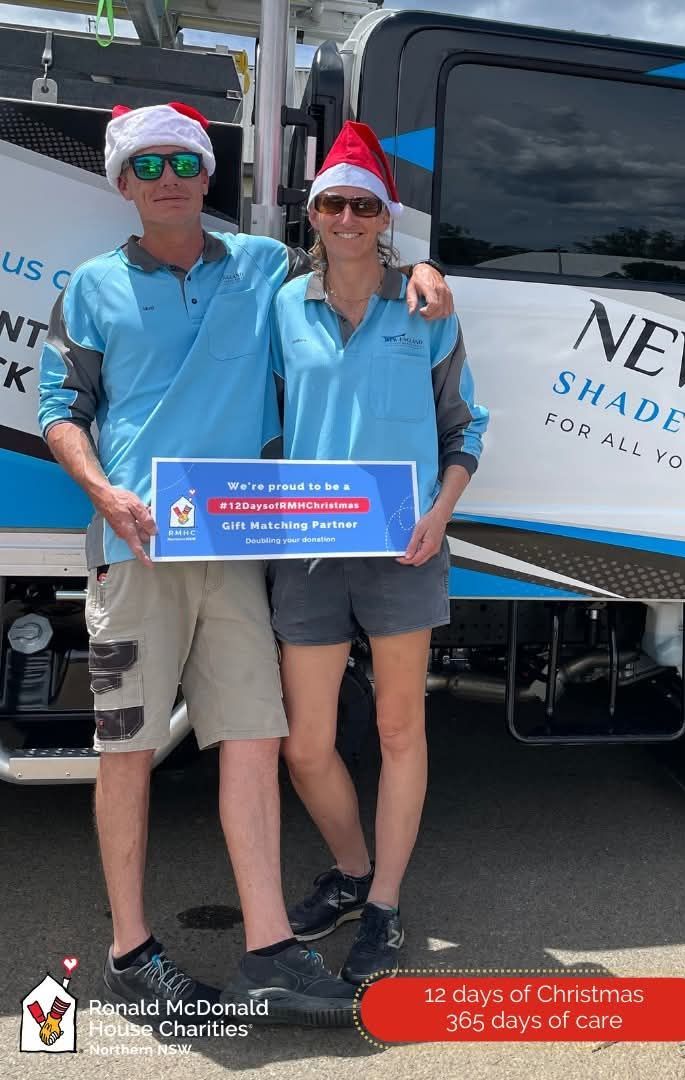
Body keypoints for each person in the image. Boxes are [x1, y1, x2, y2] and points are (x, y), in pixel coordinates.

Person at [36, 101, 452, 1025]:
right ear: (121, 181)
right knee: (129, 750)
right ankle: (130, 954)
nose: (170, 179)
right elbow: (58, 405)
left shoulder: (262, 268)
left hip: (234, 553)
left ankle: (269, 951)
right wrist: (106, 493)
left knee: (256, 744)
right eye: (148, 167)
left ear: (208, 176)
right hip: (134, 550)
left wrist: (421, 269)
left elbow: (351, 269)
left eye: (185, 162)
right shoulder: (94, 285)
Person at [270, 122, 487, 984]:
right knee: (305, 745)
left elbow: (464, 426)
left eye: (364, 204)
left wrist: (439, 514)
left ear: (385, 218)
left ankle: (386, 906)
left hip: (407, 545)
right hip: (310, 549)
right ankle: (353, 871)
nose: (348, 217)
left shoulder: (425, 306)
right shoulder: (284, 304)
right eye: (334, 203)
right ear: (313, 214)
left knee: (400, 729)